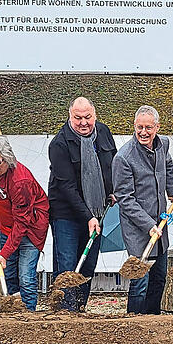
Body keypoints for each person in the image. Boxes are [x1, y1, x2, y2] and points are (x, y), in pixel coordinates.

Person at [47, 97, 117, 311]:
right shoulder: (59, 144)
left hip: (97, 211)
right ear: (70, 116)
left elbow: (112, 165)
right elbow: (67, 187)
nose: (83, 122)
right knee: (67, 265)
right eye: (78, 118)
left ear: (95, 115)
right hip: (66, 213)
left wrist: (112, 190)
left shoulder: (103, 133)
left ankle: (79, 308)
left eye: (88, 117)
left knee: (88, 264)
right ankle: (64, 311)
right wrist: (88, 217)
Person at [113, 105, 173, 315]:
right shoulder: (123, 158)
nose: (143, 132)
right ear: (134, 126)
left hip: (160, 224)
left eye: (148, 127)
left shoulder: (163, 144)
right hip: (138, 230)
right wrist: (148, 225)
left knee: (159, 277)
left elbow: (168, 165)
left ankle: (153, 320)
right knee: (140, 282)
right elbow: (125, 199)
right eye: (139, 127)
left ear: (157, 127)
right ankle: (134, 323)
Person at [0, 135, 50, 311]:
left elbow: (22, 222)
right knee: (8, 273)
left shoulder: (20, 182)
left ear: (8, 159)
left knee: (25, 276)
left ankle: (29, 315)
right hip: (7, 227)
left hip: (31, 229)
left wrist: (4, 253)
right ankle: (13, 311)